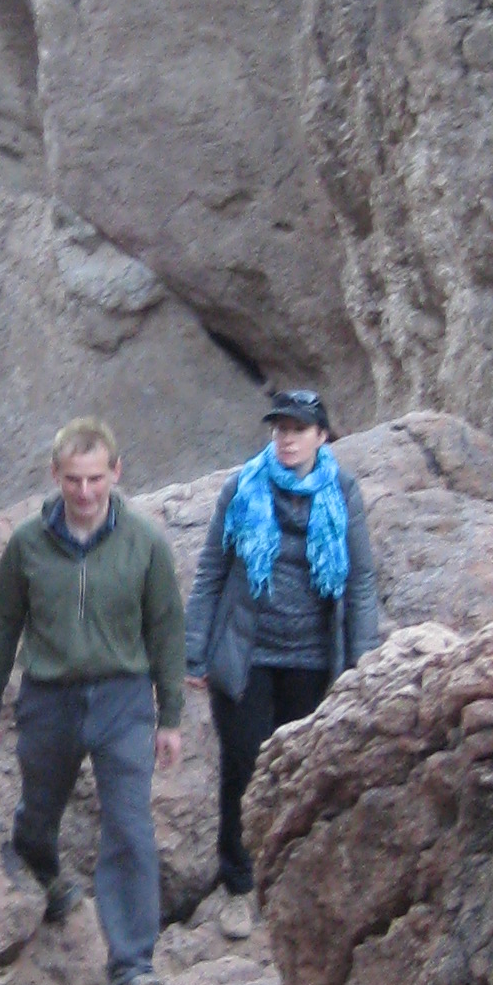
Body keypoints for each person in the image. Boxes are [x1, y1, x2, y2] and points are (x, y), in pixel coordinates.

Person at [0, 416, 185, 985]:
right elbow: (2, 623)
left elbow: (167, 630)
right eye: (73, 479)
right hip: (50, 698)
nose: (86, 492)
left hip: (123, 699)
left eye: (96, 478)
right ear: (55, 475)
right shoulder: (27, 544)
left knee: (129, 826)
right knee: (39, 815)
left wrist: (170, 717)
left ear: (116, 472)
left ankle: (132, 964)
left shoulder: (144, 543)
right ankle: (47, 876)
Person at [184, 387, 382, 938]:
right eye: (280, 429)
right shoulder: (243, 487)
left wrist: (364, 662)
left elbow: (361, 580)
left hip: (313, 659)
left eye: (298, 429)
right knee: (243, 767)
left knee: (304, 770)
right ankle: (238, 885)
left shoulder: (342, 491)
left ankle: (293, 881)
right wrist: (194, 651)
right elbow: (211, 571)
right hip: (247, 654)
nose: (287, 439)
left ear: (322, 436)